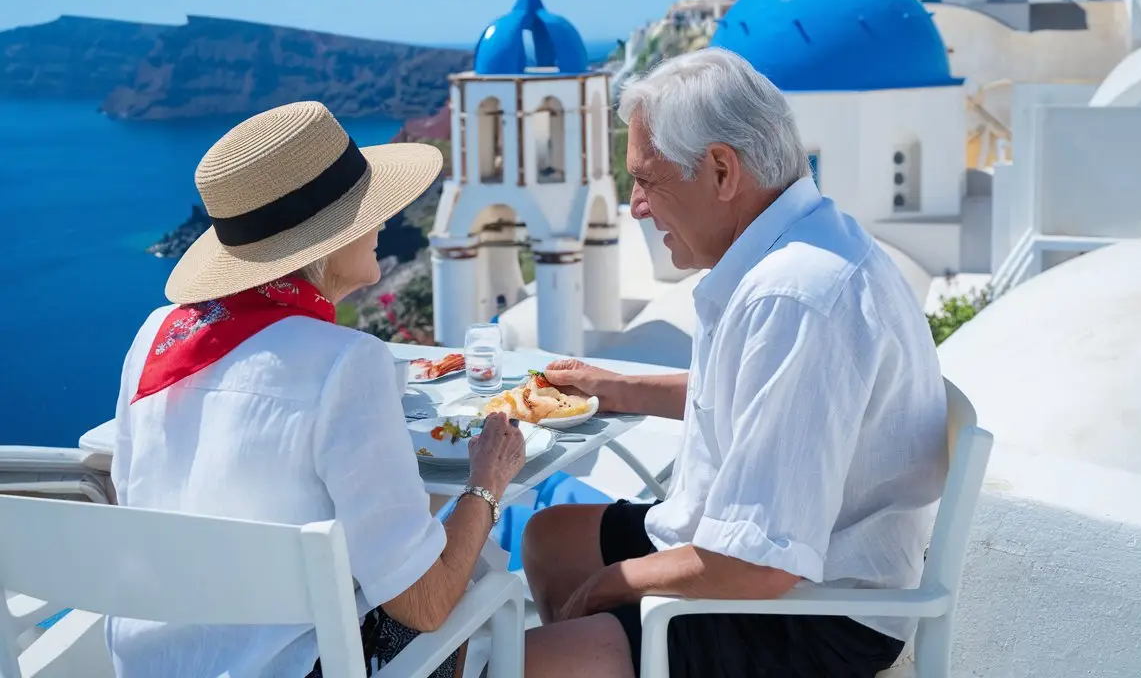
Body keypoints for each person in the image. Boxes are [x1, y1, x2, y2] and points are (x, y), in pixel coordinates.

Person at [517, 48, 948, 678]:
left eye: (647, 179)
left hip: (810, 617)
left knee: (517, 662)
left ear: (721, 170)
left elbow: (760, 564)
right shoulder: (797, 246)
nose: (637, 205)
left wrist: (614, 585)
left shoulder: (795, 296)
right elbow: (757, 394)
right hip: (758, 558)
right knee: (550, 539)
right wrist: (617, 388)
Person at [106, 101, 526, 678]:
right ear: (325, 241)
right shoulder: (346, 364)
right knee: (484, 582)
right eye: (367, 213)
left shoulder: (154, 338)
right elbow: (425, 603)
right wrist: (487, 482)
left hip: (161, 664)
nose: (382, 224)